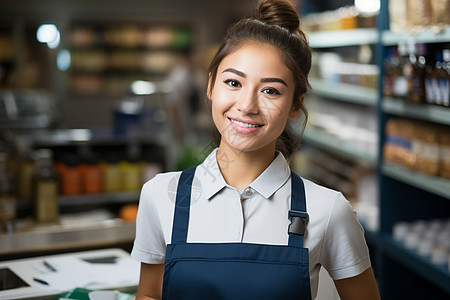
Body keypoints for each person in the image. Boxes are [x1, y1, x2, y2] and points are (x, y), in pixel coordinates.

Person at [131, 0, 381, 299]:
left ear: (295, 106)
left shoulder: (328, 210)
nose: (247, 106)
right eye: (233, 82)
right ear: (211, 87)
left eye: (270, 90)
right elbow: (149, 295)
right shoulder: (160, 195)